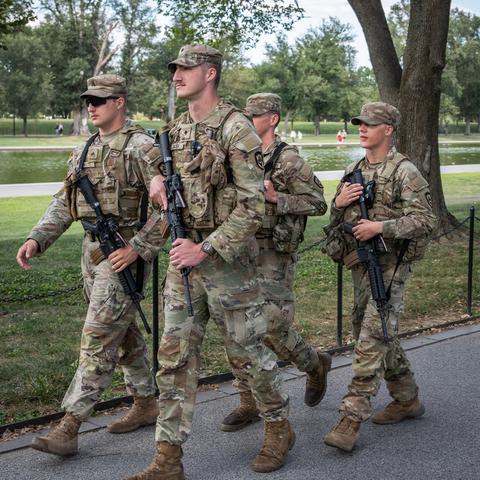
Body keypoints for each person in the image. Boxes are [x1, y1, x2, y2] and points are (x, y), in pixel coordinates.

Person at [127, 46, 293, 480]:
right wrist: (156, 181)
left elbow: (254, 205)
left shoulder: (237, 128)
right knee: (174, 358)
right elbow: (161, 175)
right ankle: (168, 459)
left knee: (246, 353)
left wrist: (208, 248)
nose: (177, 76)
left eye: (185, 69)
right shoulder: (178, 128)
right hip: (183, 258)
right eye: (175, 70)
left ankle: (278, 425)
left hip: (226, 261)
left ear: (210, 73)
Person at [16, 74, 163, 457]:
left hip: (122, 255)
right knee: (122, 331)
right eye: (88, 101)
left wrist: (138, 248)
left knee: (97, 337)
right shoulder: (84, 150)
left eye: (100, 99)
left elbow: (173, 207)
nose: (91, 106)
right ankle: (147, 402)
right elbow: (64, 202)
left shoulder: (142, 147)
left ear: (120, 102)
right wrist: (37, 238)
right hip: (91, 251)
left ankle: (69, 425)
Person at [322, 102, 436, 452]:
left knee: (372, 335)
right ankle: (406, 398)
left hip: (392, 266)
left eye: (370, 124)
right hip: (362, 263)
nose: (362, 128)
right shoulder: (354, 168)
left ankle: (351, 417)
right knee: (369, 328)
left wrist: (380, 227)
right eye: (359, 123)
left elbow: (426, 221)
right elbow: (335, 220)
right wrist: (339, 203)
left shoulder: (405, 171)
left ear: (388, 129)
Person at [220, 93, 331, 433]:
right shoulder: (238, 155)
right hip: (240, 251)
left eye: (255, 117)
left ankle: (314, 364)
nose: (248, 122)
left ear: (273, 119)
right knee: (235, 330)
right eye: (246, 116)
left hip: (273, 255)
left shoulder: (288, 160)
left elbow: (317, 203)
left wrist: (276, 198)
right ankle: (249, 401)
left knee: (271, 327)